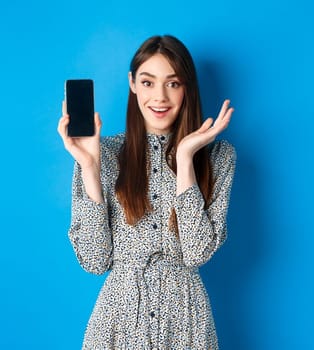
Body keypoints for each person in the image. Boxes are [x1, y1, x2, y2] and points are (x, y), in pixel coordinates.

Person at [57, 34, 236, 349]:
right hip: (118, 323)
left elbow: (196, 253)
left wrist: (184, 158)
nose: (160, 97)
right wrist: (88, 166)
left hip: (186, 323)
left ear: (187, 87)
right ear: (132, 83)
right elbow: (95, 260)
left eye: (173, 83)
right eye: (148, 82)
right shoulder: (102, 153)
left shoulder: (218, 157)